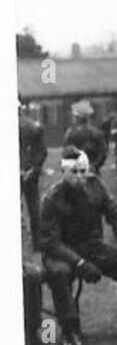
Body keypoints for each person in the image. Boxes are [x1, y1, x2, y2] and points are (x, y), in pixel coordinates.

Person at [38, 148, 117, 345]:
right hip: (61, 251)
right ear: (63, 172)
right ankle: (70, 328)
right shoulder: (52, 199)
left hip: (91, 246)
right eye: (74, 172)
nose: (80, 177)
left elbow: (115, 215)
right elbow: (50, 242)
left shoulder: (95, 185)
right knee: (60, 273)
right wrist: (79, 263)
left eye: (83, 171)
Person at [19, 101, 47, 244]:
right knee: (34, 207)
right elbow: (42, 151)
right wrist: (34, 168)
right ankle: (37, 239)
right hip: (30, 172)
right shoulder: (33, 126)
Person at [63, 100, 107, 176]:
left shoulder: (70, 133)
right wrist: (94, 165)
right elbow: (103, 152)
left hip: (76, 171)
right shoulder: (96, 132)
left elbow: (66, 152)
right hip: (93, 170)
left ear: (77, 117)